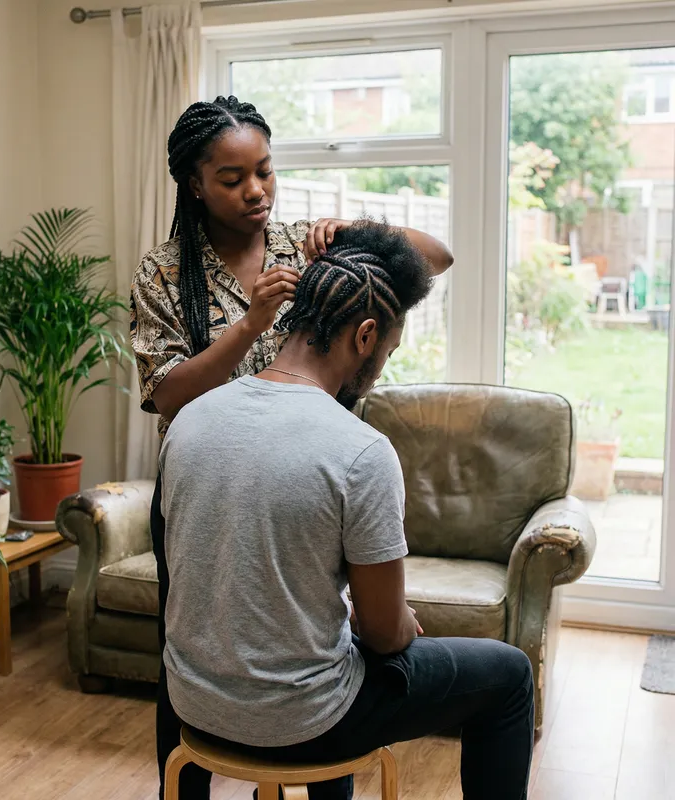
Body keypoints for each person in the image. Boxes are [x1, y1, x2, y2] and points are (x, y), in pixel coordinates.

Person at [130, 95, 454, 799]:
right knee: (191, 648)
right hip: (206, 481)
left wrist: (356, 228)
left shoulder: (306, 243)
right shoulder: (161, 275)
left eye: (266, 172)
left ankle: (317, 775)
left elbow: (436, 257)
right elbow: (167, 395)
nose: (256, 191)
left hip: (309, 483)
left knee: (323, 638)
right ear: (193, 182)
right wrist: (251, 325)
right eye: (233, 177)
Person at [160, 220, 535, 800]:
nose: (383, 363)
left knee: (333, 660)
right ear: (364, 336)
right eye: (388, 347)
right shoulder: (360, 450)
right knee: (509, 676)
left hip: (195, 704)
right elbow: (384, 635)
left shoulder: (190, 418)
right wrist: (399, 622)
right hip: (301, 723)